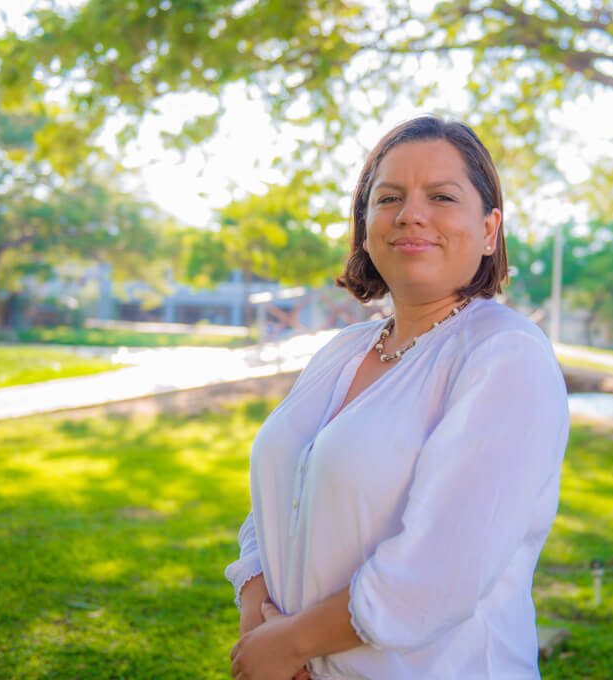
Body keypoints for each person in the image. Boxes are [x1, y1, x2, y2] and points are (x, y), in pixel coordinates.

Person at [225, 116, 570, 680]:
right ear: (365, 227)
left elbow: (440, 572)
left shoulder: (505, 355)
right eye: (389, 197)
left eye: (441, 196)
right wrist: (256, 617)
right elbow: (280, 492)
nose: (411, 213)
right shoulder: (343, 349)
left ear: (489, 230)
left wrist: (290, 644)